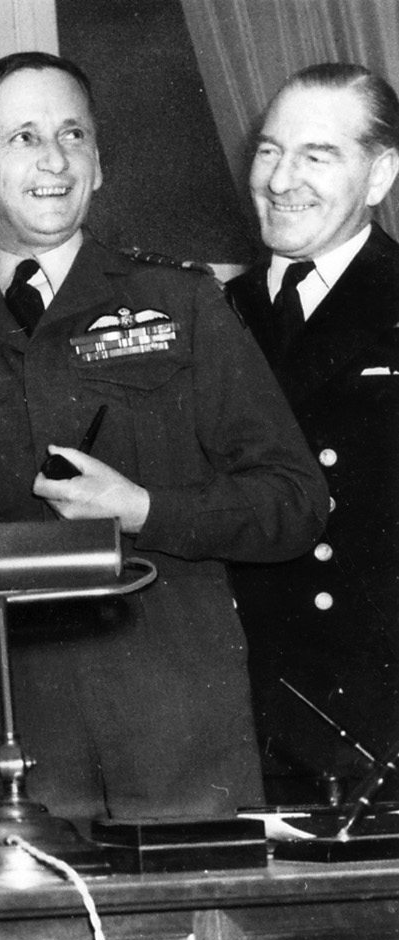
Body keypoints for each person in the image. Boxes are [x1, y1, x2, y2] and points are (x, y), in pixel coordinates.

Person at [0, 51, 326, 826]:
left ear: (98, 164)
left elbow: (293, 502)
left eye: (73, 134)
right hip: (12, 759)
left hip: (179, 744)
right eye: (22, 136)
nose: (53, 158)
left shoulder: (180, 305)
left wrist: (146, 510)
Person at [225, 64, 399, 804]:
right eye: (268, 151)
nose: (280, 178)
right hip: (239, 719)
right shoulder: (211, 316)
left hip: (377, 721)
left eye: (315, 155)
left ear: (379, 173)